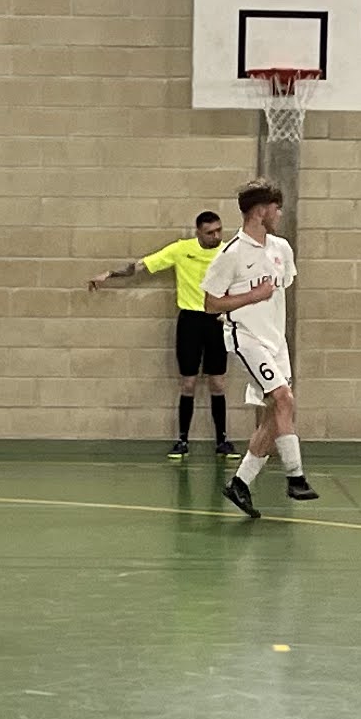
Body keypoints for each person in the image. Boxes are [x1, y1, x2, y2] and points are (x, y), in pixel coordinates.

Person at [91, 209, 232, 456]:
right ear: (198, 232)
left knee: (217, 383)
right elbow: (143, 265)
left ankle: (222, 441)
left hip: (217, 320)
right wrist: (110, 274)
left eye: (219, 231)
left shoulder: (229, 252)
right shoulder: (181, 249)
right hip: (190, 320)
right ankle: (183, 441)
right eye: (210, 232)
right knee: (188, 383)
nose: (216, 236)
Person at [210, 182, 313, 518]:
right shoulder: (231, 254)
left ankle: (240, 483)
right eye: (275, 208)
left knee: (276, 412)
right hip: (246, 339)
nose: (279, 214)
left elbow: (281, 289)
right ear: (260, 211)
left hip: (275, 342)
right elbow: (211, 304)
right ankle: (295, 476)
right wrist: (252, 296)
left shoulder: (281, 248)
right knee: (284, 399)